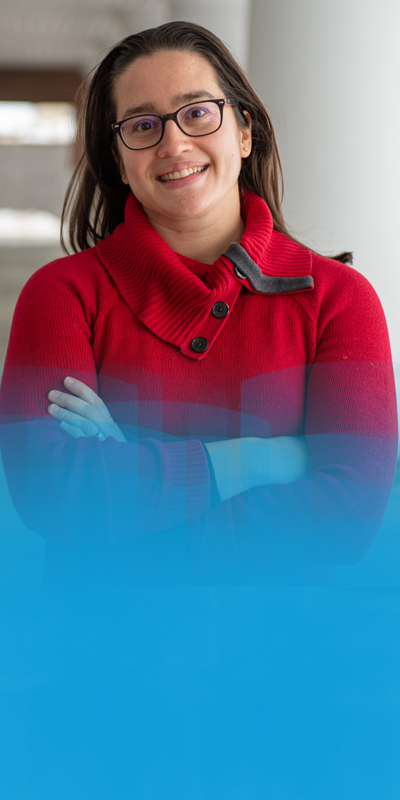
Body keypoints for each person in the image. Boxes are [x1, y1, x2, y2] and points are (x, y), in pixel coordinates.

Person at [0, 22, 397, 583]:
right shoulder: (62, 295)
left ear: (243, 132)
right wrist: (253, 461)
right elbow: (53, 496)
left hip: (294, 656)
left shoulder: (337, 300)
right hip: (97, 654)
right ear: (118, 159)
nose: (173, 144)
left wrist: (132, 463)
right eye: (142, 125)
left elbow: (346, 522)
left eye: (198, 112)